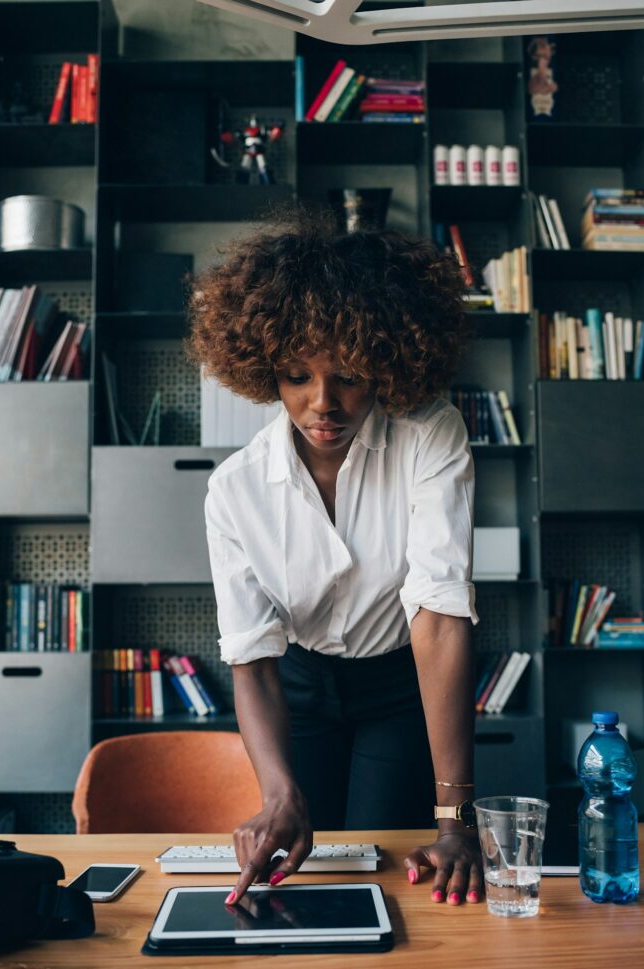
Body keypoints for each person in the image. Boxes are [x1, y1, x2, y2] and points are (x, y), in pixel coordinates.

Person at [187, 207, 483, 909]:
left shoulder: (429, 434)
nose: (323, 404)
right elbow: (252, 658)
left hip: (399, 685)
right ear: (265, 372)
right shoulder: (234, 491)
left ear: (385, 363)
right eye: (296, 376)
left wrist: (456, 821)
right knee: (303, 868)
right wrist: (279, 790)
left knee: (390, 871)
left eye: (349, 376)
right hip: (297, 686)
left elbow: (439, 614)